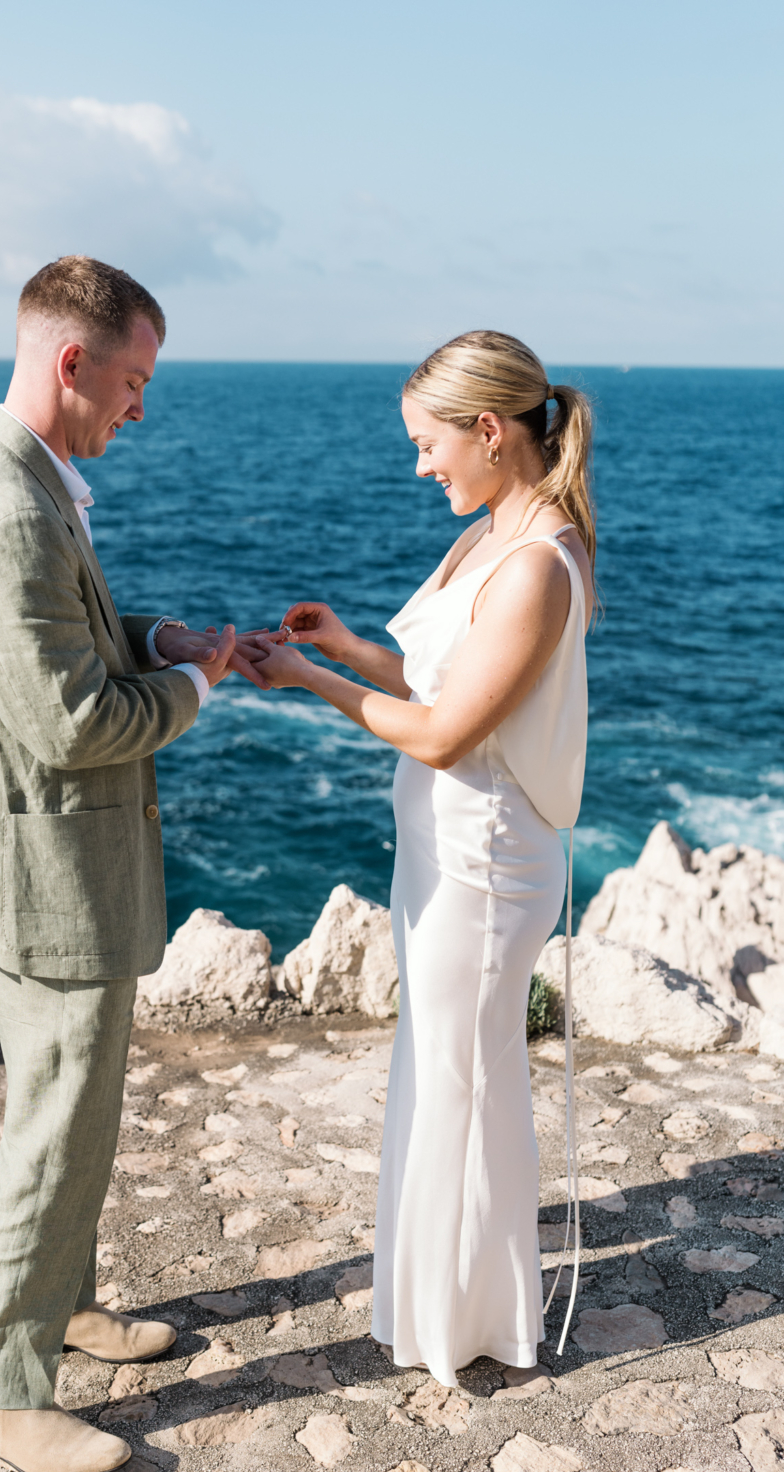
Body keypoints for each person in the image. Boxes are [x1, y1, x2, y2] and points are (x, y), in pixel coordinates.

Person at [0, 255, 263, 1472]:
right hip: (48, 875)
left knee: (72, 1110)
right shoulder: (12, 509)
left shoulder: (22, 483)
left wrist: (156, 637)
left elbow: (63, 635)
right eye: (134, 381)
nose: (140, 406)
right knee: (57, 1128)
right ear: (75, 365)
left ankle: (67, 1306)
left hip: (40, 858)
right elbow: (73, 723)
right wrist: (198, 683)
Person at [251, 329, 593, 1387]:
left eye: (427, 442)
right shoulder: (495, 529)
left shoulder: (538, 561)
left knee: (465, 1079)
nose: (419, 465)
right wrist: (354, 649)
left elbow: (446, 732)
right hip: (445, 856)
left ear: (490, 431)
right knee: (446, 1074)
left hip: (487, 865)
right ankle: (448, 1305)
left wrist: (316, 683)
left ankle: (471, 1325)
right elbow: (441, 677)